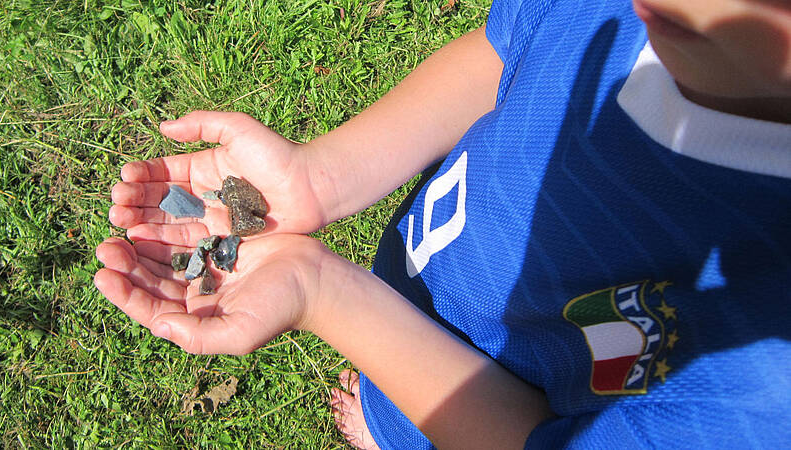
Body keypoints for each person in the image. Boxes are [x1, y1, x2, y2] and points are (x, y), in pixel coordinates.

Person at [95, 0, 791, 447]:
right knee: (390, 360)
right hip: (432, 264)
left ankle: (396, 431)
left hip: (490, 405)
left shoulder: (765, 389)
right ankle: (386, 398)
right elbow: (510, 46)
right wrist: (320, 177)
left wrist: (322, 292)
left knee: (416, 420)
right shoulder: (629, 14)